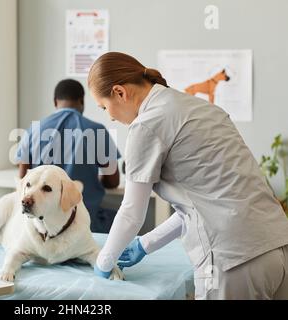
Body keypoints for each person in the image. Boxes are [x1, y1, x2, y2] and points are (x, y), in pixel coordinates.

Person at [88, 52, 288, 299]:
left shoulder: (146, 124)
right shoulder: (201, 108)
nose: (109, 116)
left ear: (119, 92)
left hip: (233, 260)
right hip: (277, 248)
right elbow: (203, 203)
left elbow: (131, 213)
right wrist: (145, 244)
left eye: (104, 107)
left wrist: (103, 265)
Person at [16, 79, 121, 233]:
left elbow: (23, 179)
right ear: (82, 101)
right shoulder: (97, 130)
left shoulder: (34, 129)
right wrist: (91, 179)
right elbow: (113, 182)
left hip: (41, 224)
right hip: (84, 223)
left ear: (54, 102)